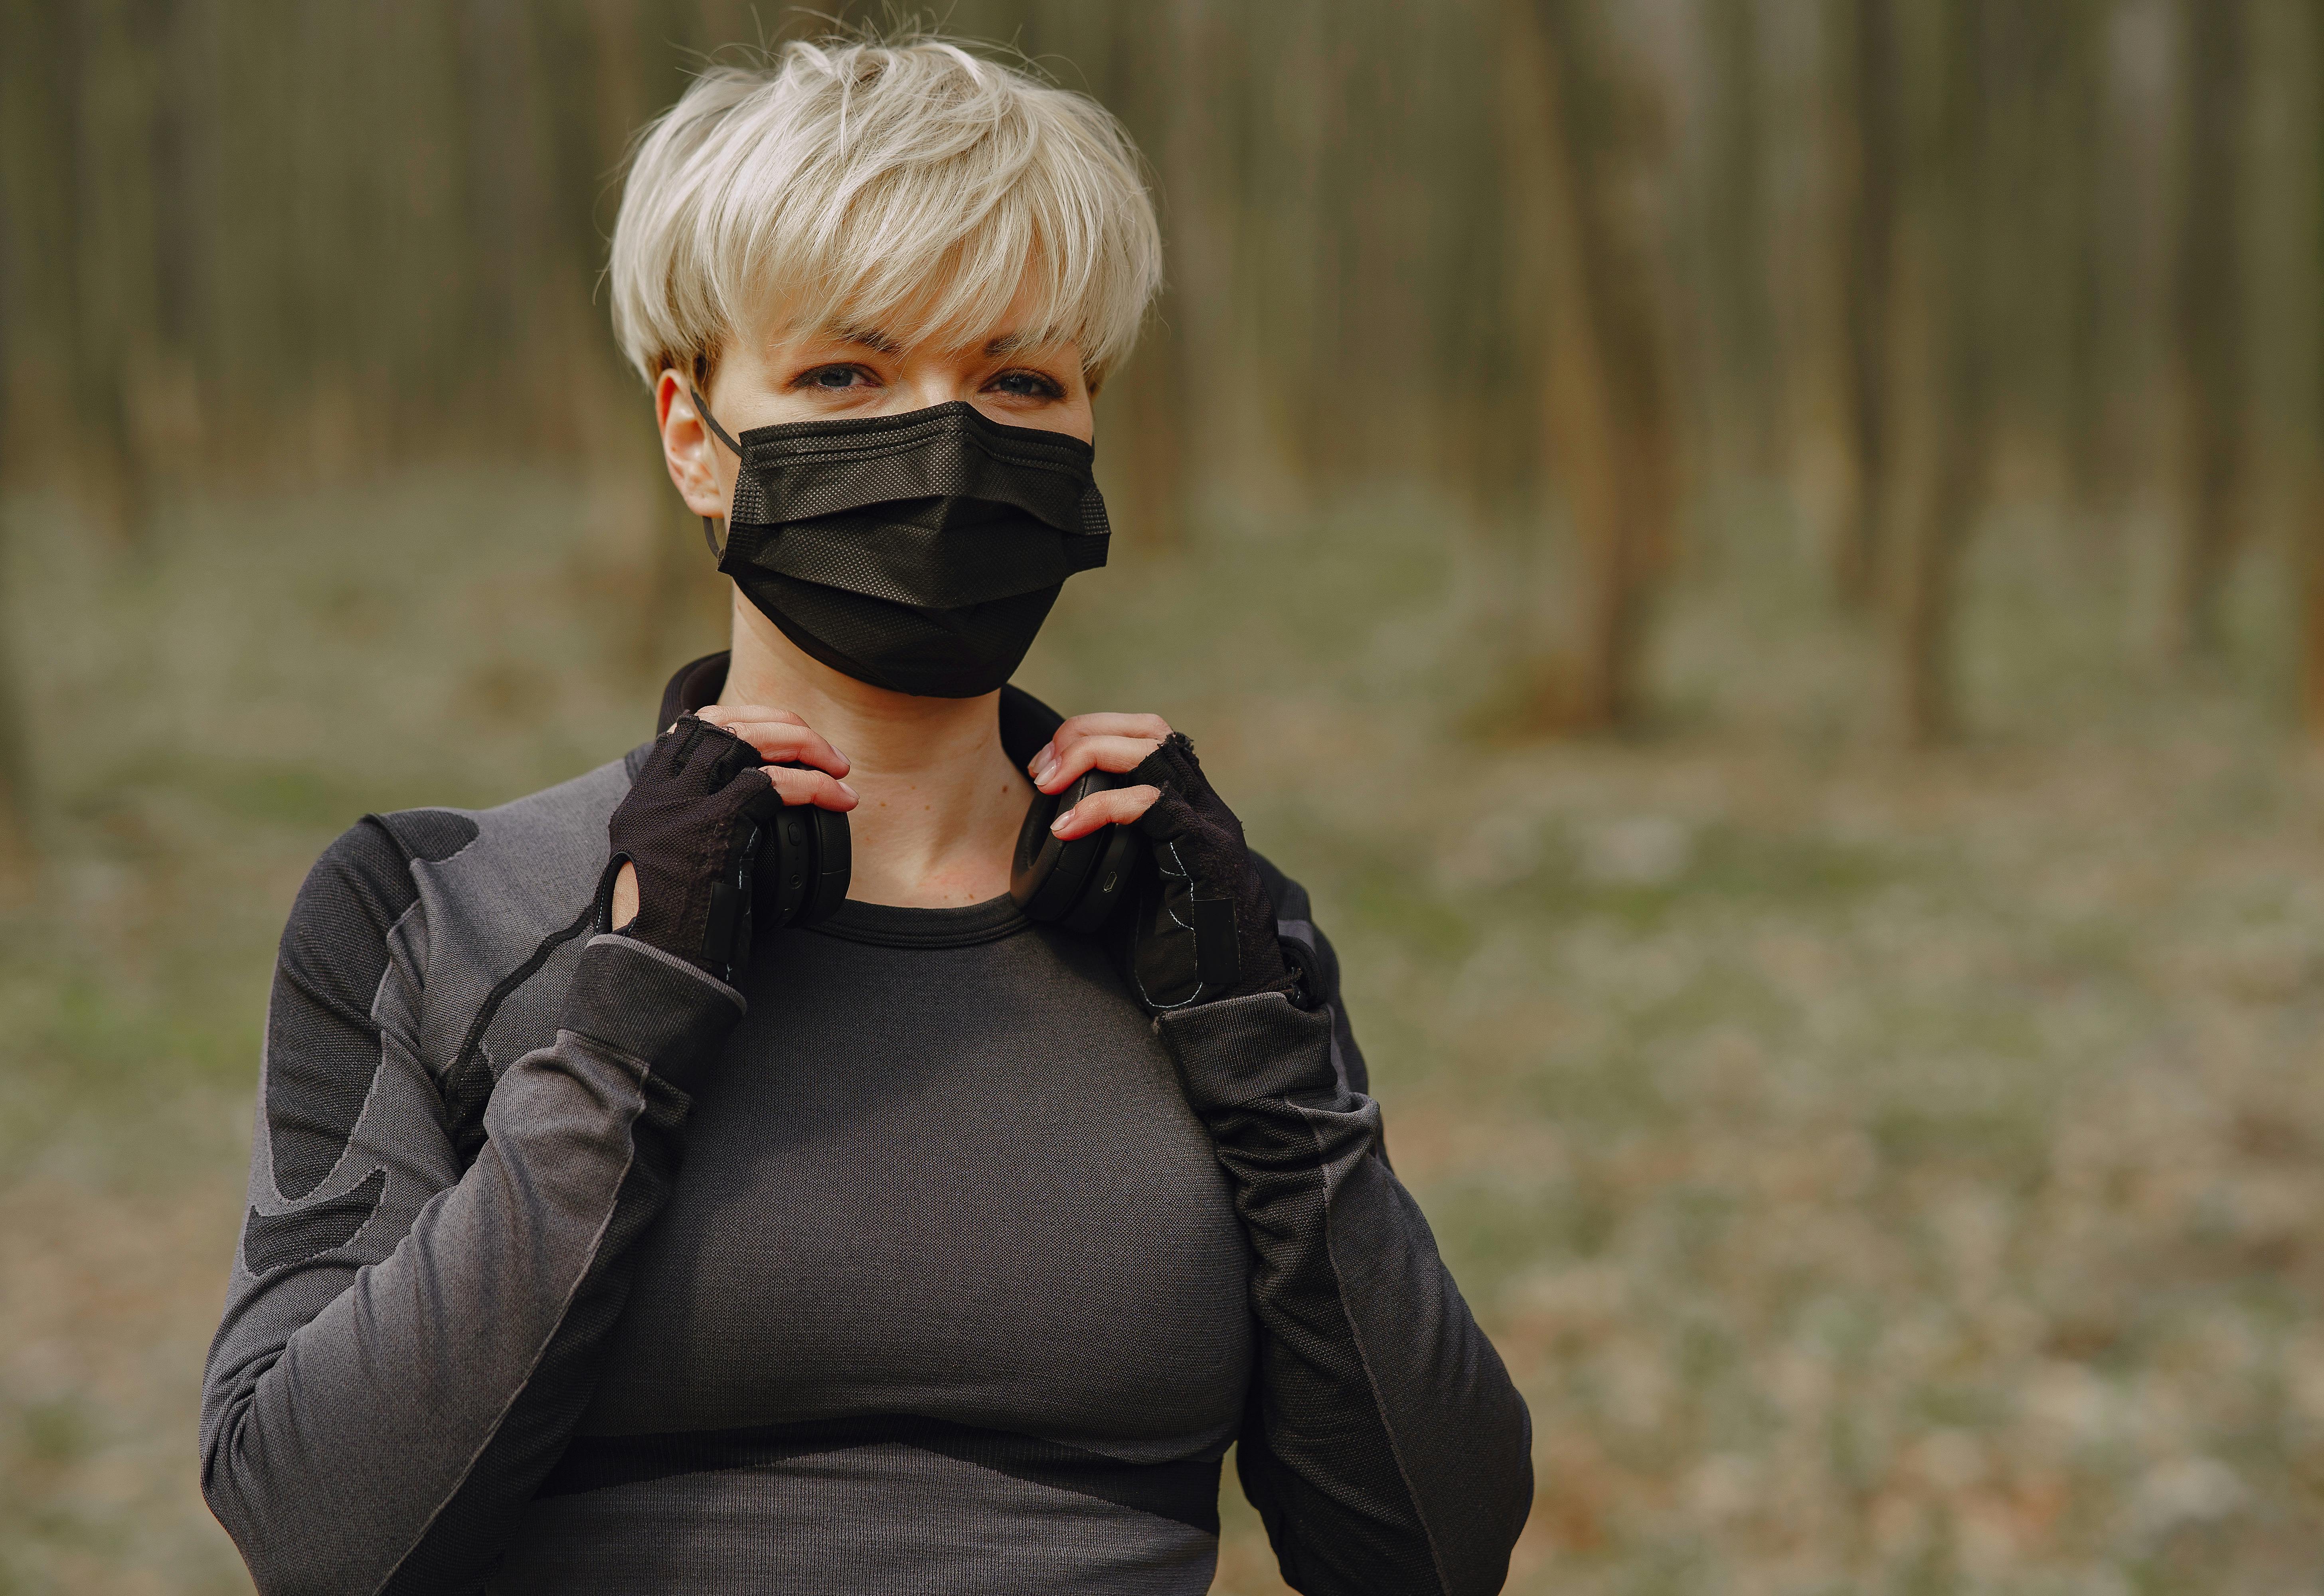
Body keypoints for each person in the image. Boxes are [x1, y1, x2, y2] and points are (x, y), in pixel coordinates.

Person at [200, 35, 1532, 1596]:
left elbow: (1431, 1551)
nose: (950, 442)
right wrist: (626, 1031)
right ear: (696, 438)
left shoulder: (1212, 928)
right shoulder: (437, 910)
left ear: (1091, 436)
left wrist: (1266, 1053)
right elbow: (318, 1532)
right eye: (848, 371)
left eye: (1018, 378)